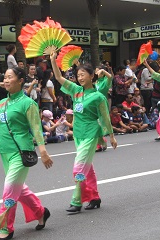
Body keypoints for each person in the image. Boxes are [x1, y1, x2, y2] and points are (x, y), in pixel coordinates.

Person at [0, 67, 53, 240]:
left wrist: (43, 151)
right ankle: (41, 212)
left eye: (10, 77)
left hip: (21, 152)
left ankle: (6, 227)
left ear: (21, 80)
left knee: (9, 189)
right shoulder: (1, 104)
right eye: (5, 77)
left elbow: (37, 128)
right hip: (4, 152)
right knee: (18, 189)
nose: (6, 80)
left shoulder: (28, 103)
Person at [50, 51, 117, 213]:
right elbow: (59, 78)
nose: (79, 78)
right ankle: (94, 197)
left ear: (92, 75)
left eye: (83, 75)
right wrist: (52, 60)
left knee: (78, 168)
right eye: (78, 75)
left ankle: (77, 200)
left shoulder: (98, 97)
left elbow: (105, 117)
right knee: (88, 167)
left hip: (91, 133)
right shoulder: (76, 91)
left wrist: (111, 136)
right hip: (78, 134)